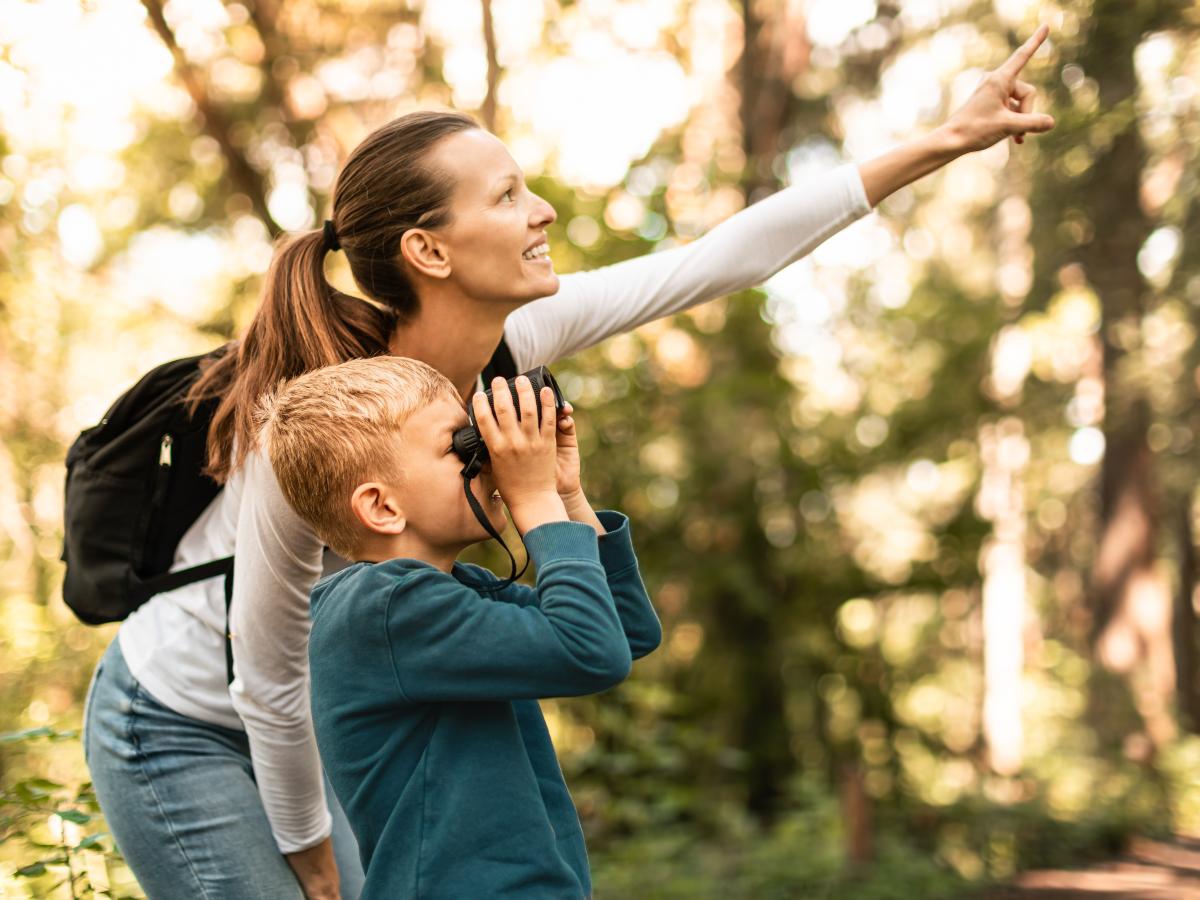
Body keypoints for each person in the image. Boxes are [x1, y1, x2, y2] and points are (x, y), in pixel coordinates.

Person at [81, 25, 1055, 900]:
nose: (541, 210)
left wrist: (944, 139)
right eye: (507, 196)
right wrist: (310, 855)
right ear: (429, 249)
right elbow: (266, 672)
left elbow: (723, 258)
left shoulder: (521, 335)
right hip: (180, 717)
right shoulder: (314, 414)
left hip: (328, 706)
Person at [257, 355, 659, 899]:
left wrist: (564, 494)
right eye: (459, 446)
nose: (490, 459)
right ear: (381, 506)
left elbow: (624, 633)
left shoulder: (452, 594)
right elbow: (591, 651)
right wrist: (535, 498)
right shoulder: (384, 609)